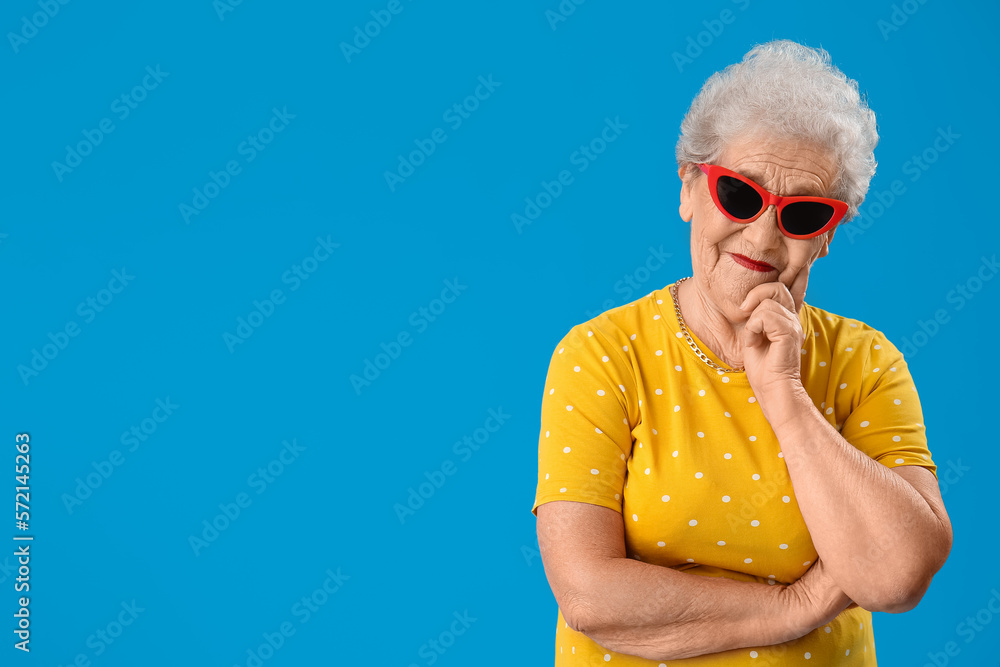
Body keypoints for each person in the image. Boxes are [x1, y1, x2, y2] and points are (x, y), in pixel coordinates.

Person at [530, 39, 952, 665]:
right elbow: (589, 596)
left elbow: (895, 576)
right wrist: (795, 608)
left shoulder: (867, 362)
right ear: (690, 190)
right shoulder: (601, 354)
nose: (761, 235)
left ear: (828, 235)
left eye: (802, 213)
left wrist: (784, 393)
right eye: (739, 194)